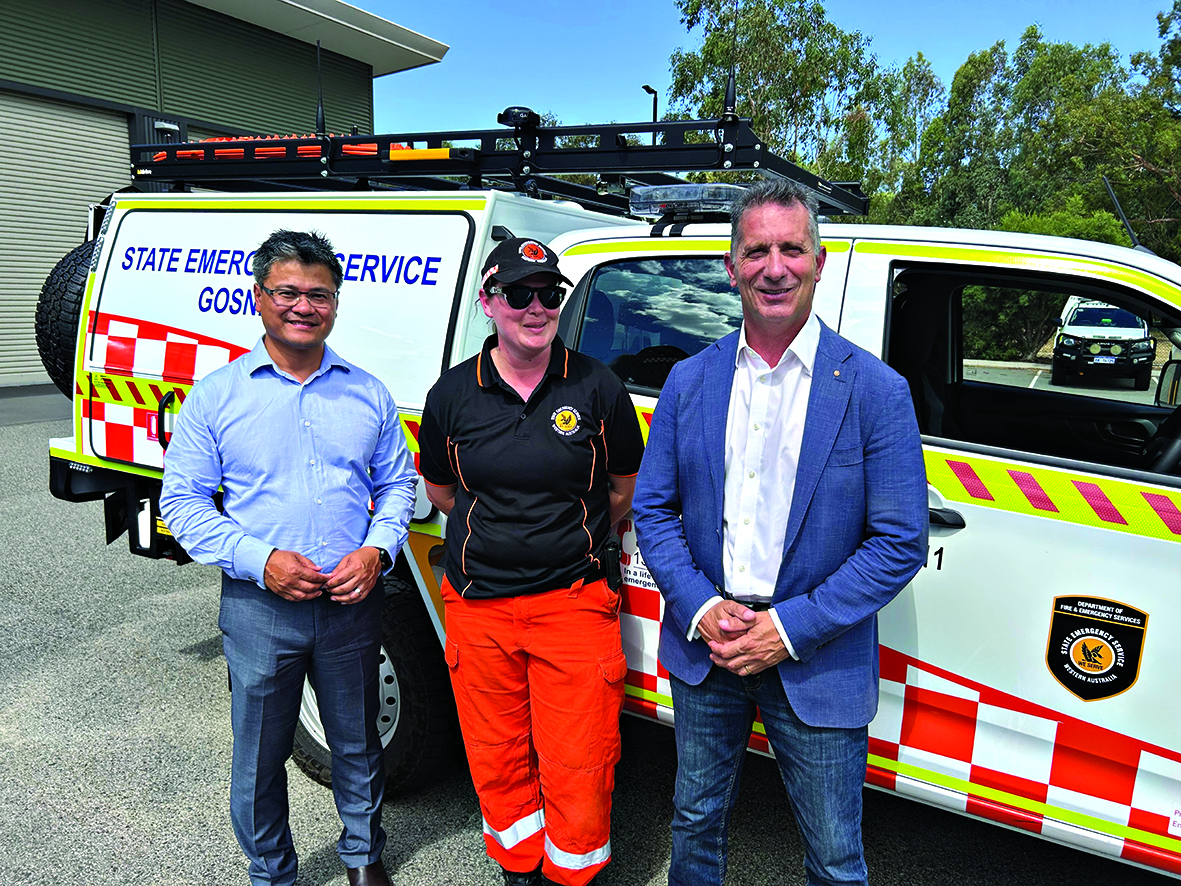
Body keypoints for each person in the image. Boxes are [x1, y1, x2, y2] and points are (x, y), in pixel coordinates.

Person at [632, 179, 928, 886]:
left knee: (834, 856)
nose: (774, 268)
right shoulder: (689, 381)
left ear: (818, 262)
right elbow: (654, 510)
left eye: (792, 249)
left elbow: (898, 541)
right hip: (708, 645)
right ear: (731, 265)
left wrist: (788, 629)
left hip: (814, 655)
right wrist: (701, 606)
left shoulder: (876, 390)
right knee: (694, 826)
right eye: (756, 250)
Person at [160, 229, 417, 886]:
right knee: (260, 755)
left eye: (319, 294)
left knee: (357, 742)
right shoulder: (218, 396)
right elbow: (182, 503)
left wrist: (378, 549)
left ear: (335, 303)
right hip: (260, 607)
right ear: (259, 297)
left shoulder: (367, 393)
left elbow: (397, 485)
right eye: (287, 292)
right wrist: (260, 558)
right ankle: (272, 871)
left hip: (351, 603)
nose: (304, 306)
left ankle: (363, 856)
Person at [416, 238, 645, 886]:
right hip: (478, 606)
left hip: (573, 604)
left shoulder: (597, 386)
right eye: (519, 293)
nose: (536, 307)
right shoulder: (452, 393)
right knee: (497, 755)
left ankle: (572, 875)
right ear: (489, 302)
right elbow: (441, 489)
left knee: (581, 761)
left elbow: (622, 488)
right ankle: (518, 868)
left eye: (549, 293)